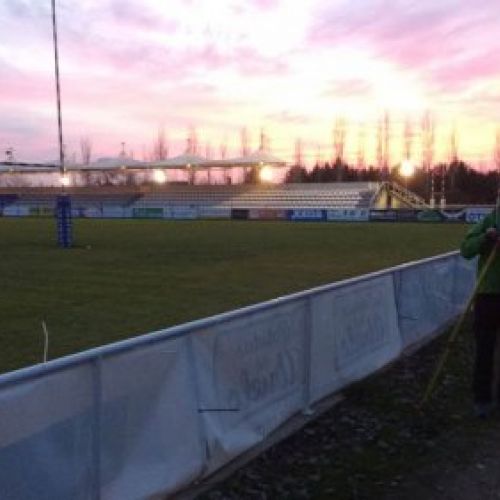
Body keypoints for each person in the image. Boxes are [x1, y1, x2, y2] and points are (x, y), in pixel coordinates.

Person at [460, 208, 500, 417]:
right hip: (488, 296)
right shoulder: (489, 221)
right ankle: (482, 399)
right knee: (484, 349)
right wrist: (486, 238)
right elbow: (466, 250)